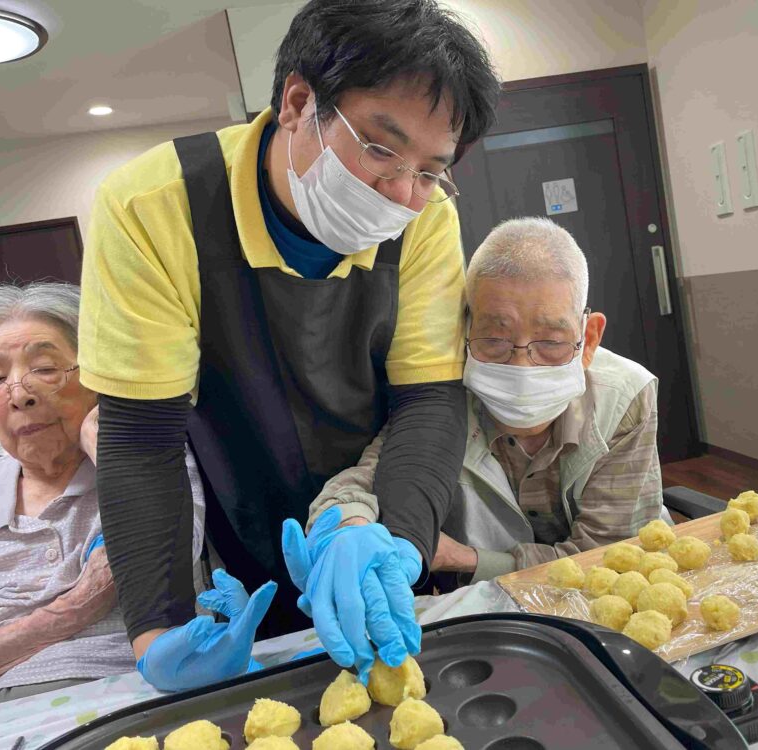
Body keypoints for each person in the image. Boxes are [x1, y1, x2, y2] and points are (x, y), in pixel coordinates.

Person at [78, 0, 500, 689]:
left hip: (379, 496)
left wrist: (396, 542)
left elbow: (428, 400)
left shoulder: (426, 218)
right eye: (381, 148)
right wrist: (156, 627)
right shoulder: (155, 205)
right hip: (242, 495)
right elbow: (142, 436)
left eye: (431, 169)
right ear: (300, 101)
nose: (401, 193)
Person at [307, 218, 664, 583]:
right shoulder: (441, 394)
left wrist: (461, 557)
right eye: (494, 340)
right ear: (464, 331)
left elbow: (611, 557)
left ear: (588, 340)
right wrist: (348, 529)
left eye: (551, 343)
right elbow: (365, 480)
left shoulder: (624, 399)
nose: (522, 365)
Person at [0, 283, 206, 711]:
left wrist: (108, 447)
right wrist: (70, 609)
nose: (19, 394)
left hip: (141, 692)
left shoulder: (154, 459)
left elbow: (170, 560)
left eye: (46, 368)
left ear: (96, 372)